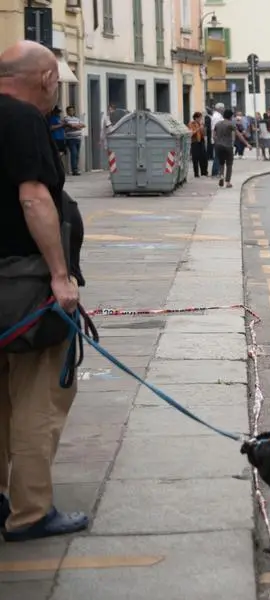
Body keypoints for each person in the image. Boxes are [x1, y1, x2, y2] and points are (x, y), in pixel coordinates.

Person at [0, 39, 88, 542]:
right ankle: (31, 512)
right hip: (23, 285)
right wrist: (59, 275)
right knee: (38, 399)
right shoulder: (23, 120)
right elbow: (34, 198)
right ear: (48, 80)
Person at [213, 109, 251, 188]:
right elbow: (239, 135)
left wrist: (217, 142)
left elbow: (214, 136)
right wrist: (247, 144)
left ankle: (221, 177)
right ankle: (227, 182)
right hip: (228, 146)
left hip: (219, 146)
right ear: (230, 116)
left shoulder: (218, 124)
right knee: (229, 164)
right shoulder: (231, 124)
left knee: (221, 163)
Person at [62, 105, 84, 176]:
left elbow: (83, 125)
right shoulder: (66, 119)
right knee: (74, 154)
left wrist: (76, 126)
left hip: (78, 138)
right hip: (70, 139)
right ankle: (74, 170)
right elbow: (70, 125)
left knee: (77, 155)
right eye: (70, 110)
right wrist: (77, 126)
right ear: (67, 111)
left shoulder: (77, 118)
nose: (71, 112)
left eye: (72, 110)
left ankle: (76, 168)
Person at [188, 111, 207, 177]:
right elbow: (191, 133)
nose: (200, 119)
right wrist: (198, 128)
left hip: (201, 141)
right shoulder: (191, 124)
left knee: (203, 157)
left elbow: (204, 134)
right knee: (195, 158)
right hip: (195, 142)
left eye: (201, 118)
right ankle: (196, 173)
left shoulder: (201, 124)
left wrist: (203, 129)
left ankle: (204, 172)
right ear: (196, 118)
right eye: (199, 118)